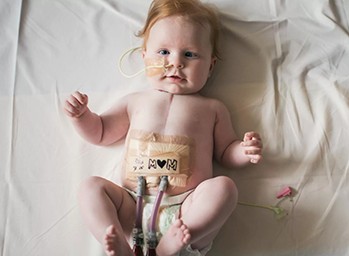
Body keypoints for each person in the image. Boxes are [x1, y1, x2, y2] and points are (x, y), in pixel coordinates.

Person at [64, 0, 263, 255]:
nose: (176, 63)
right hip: (131, 204)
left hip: (184, 213)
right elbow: (101, 132)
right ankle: (120, 244)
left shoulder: (212, 108)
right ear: (144, 55)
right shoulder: (136, 102)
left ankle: (169, 246)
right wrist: (81, 116)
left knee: (225, 188)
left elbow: (226, 151)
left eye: (190, 54)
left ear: (211, 66)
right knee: (90, 188)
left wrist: (243, 151)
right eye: (164, 52)